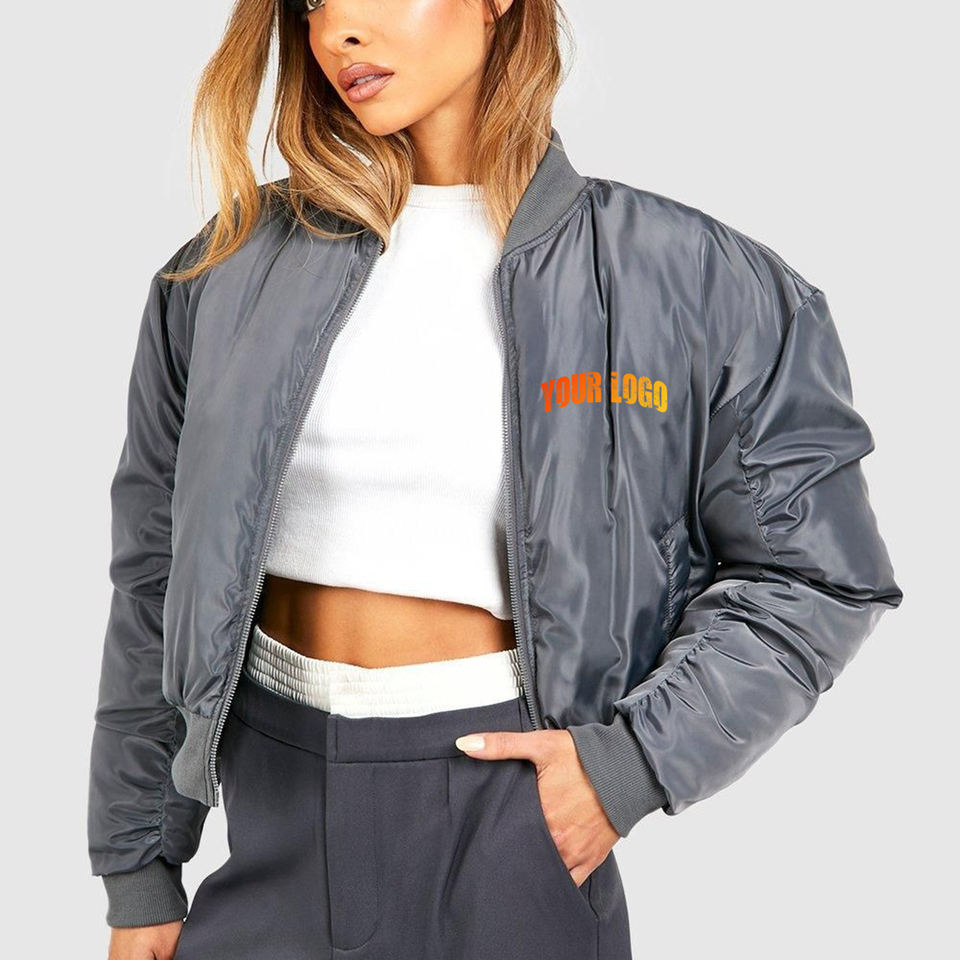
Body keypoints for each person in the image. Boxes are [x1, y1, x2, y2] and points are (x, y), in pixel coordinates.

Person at [86, 1, 904, 958]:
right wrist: (139, 869)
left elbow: (817, 576)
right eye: (311, 2)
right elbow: (155, 578)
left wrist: (631, 764)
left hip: (510, 819)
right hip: (271, 806)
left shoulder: (696, 283)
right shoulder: (223, 272)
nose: (336, 29)